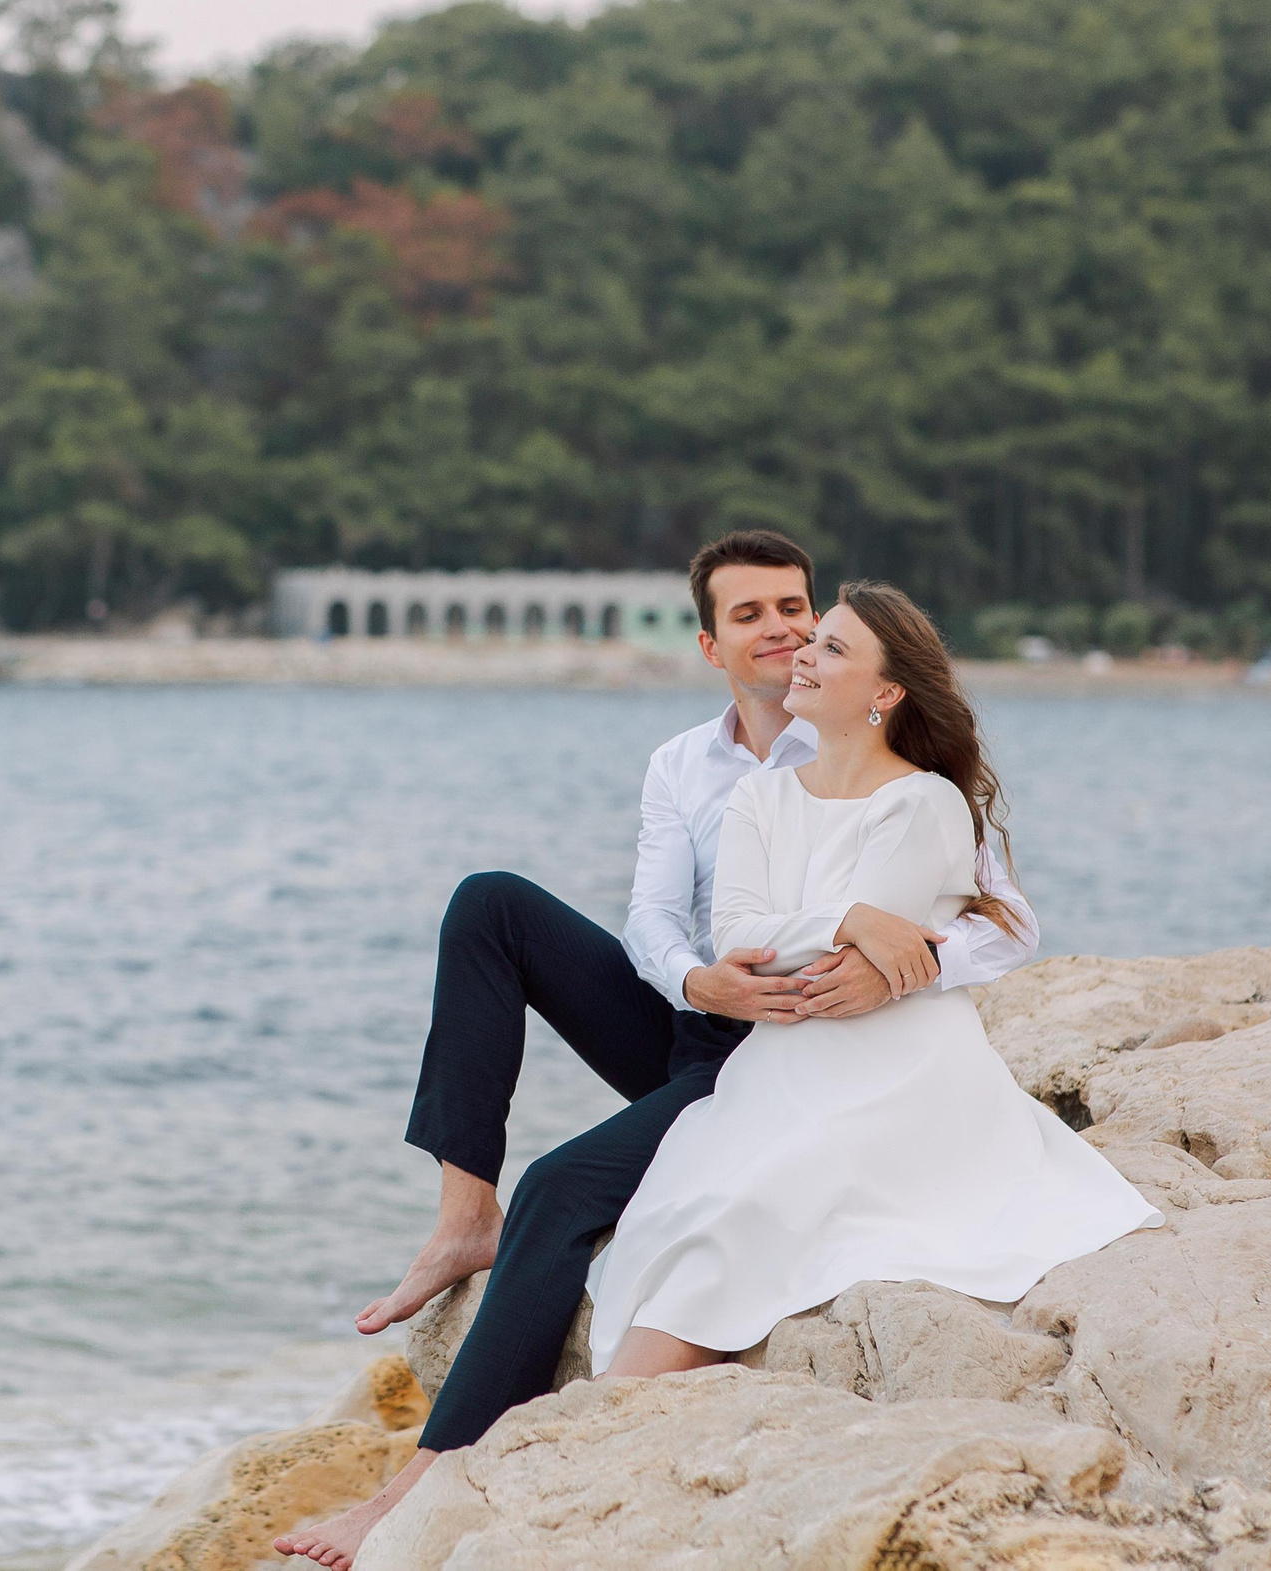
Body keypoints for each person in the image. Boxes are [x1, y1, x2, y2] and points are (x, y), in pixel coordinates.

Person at [275, 537, 1039, 1570]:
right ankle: (463, 1219)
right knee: (490, 905)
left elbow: (1006, 923)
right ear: (709, 645)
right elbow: (649, 915)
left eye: (795, 608)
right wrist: (693, 980)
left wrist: (911, 964)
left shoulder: (882, 760)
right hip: (698, 1017)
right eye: (750, 615)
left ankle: (421, 1479)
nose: (781, 629)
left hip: (784, 1052)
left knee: (564, 1187)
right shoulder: (686, 764)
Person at [584, 579, 1161, 1382]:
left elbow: (856, 968)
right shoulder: (758, 794)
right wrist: (850, 916)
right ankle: (607, 1414)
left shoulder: (924, 802)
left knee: (748, 1214)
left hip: (899, 1069)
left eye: (831, 647)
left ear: (886, 691)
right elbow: (737, 935)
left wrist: (844, 932)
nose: (803, 654)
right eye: (814, 641)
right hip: (779, 1065)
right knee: (690, 1211)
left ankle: (611, 1411)